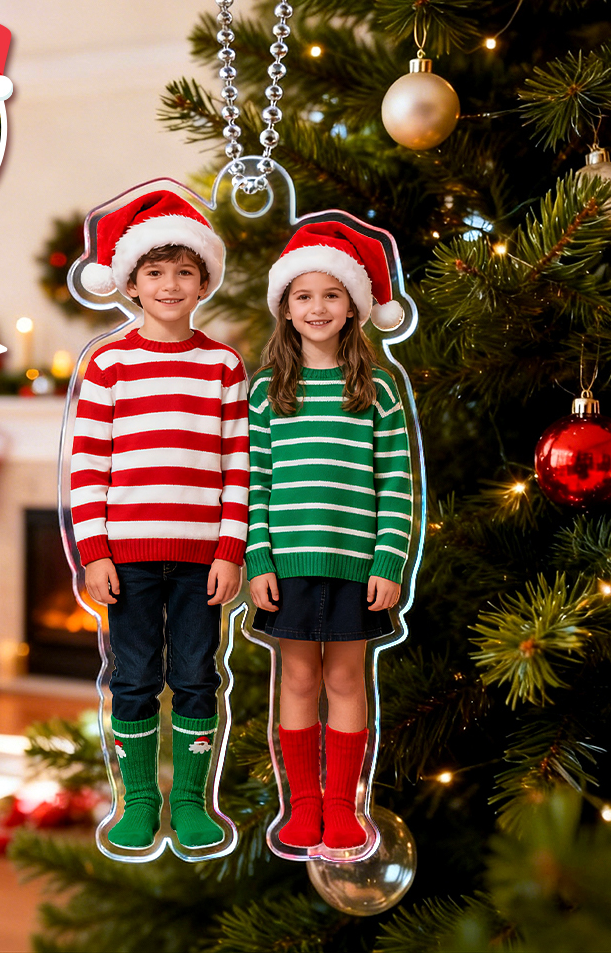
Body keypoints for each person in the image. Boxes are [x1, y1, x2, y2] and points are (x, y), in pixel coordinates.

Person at [71, 190, 249, 849]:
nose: (169, 285)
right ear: (131, 283)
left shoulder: (222, 366)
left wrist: (231, 551)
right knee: (136, 677)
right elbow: (87, 465)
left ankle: (195, 802)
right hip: (126, 559)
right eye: (154, 272)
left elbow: (239, 467)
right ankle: (140, 798)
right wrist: (95, 552)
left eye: (182, 271)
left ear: (204, 280)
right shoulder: (108, 366)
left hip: (205, 560)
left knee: (198, 675)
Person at [247, 221, 412, 852]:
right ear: (285, 309)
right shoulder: (266, 392)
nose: (317, 308)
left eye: (331, 295)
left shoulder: (377, 393)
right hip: (286, 566)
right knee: (295, 680)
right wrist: (258, 557)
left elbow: (396, 484)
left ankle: (342, 806)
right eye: (303, 296)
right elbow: (254, 483)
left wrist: (389, 561)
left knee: (345, 680)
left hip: (355, 564)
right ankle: (304, 805)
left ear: (353, 306)